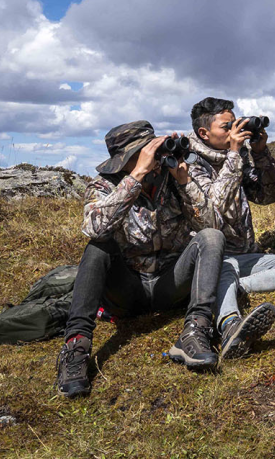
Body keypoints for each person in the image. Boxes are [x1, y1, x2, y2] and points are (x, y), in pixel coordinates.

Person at [56, 121, 224, 399]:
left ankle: (195, 330)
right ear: (126, 158)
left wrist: (184, 182)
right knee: (98, 248)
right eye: (148, 152)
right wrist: (135, 177)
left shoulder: (172, 178)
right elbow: (94, 228)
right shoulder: (102, 185)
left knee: (211, 238)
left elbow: (212, 225)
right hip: (127, 289)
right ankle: (76, 347)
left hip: (170, 283)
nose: (155, 158)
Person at [187, 97, 275, 361]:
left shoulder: (238, 156)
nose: (235, 130)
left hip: (246, 256)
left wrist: (259, 152)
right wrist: (234, 155)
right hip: (214, 262)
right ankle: (229, 326)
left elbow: (270, 196)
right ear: (204, 133)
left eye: (235, 123)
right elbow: (214, 211)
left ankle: (236, 287)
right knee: (222, 270)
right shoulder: (190, 164)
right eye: (226, 126)